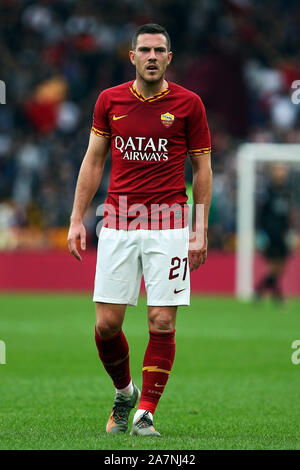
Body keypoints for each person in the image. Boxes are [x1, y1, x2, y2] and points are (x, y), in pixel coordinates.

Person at [67, 23, 212, 437]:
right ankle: (125, 391)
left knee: (162, 321)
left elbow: (202, 168)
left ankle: (145, 411)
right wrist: (77, 218)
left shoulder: (189, 104)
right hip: (118, 220)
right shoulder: (109, 100)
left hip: (169, 224)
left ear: (170, 57)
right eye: (145, 50)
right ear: (131, 56)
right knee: (107, 326)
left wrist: (199, 229)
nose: (152, 56)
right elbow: (94, 160)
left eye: (159, 50)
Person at [255, 163, 291, 303]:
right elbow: (262, 214)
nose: (281, 173)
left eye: (282, 170)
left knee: (280, 266)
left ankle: (259, 290)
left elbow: (287, 215)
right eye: (278, 170)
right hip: (270, 233)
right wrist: (261, 232)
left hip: (283, 233)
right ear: (273, 173)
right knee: (274, 265)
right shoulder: (267, 191)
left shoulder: (286, 192)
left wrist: (289, 231)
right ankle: (278, 296)